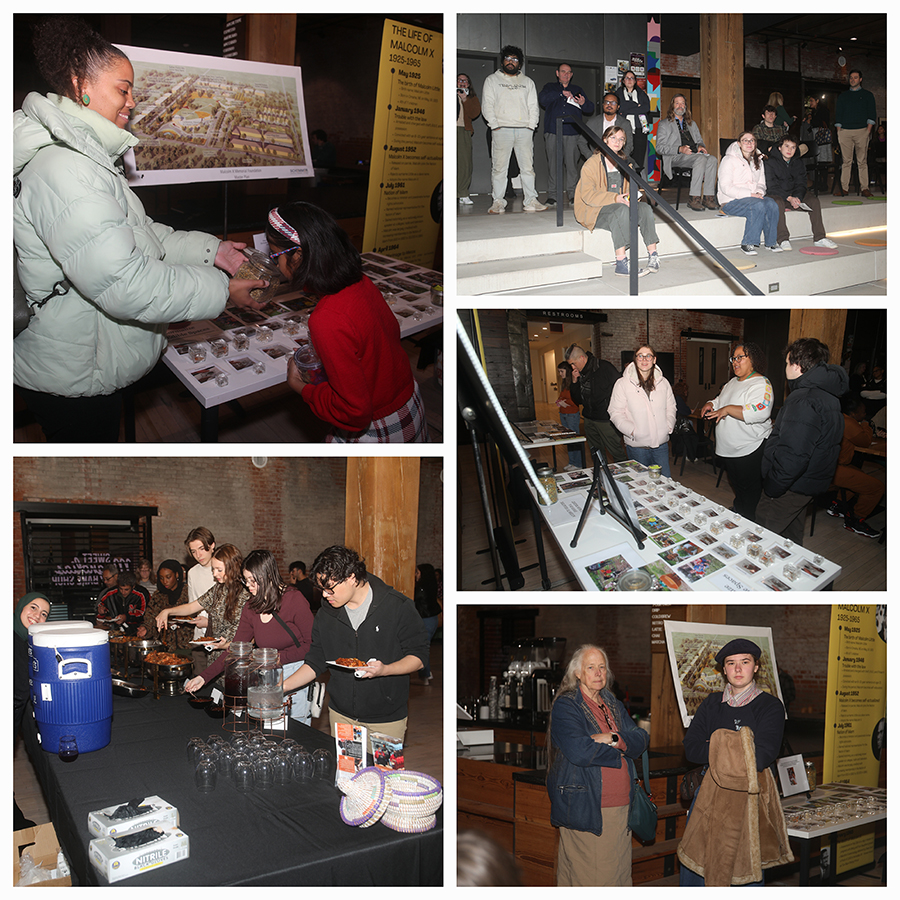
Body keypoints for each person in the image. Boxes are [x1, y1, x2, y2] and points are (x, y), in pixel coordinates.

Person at [13, 17, 266, 442]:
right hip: (75, 374)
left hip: (87, 358)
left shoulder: (86, 160)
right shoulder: (67, 169)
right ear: (80, 86)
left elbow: (143, 234)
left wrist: (214, 252)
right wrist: (223, 290)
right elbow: (126, 282)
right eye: (123, 88)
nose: (132, 101)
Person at [273, 203, 428, 443]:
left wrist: (301, 387)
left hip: (379, 429)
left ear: (298, 254)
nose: (277, 266)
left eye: (275, 256)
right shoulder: (361, 282)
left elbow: (354, 412)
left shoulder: (327, 318)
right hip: (409, 405)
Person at [281, 545, 430, 749]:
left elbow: (419, 656)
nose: (325, 595)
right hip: (342, 715)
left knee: (383, 778)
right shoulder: (326, 614)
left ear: (351, 577)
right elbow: (316, 660)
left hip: (386, 718)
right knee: (348, 779)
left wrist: (385, 670)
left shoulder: (397, 606)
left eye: (330, 588)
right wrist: (282, 687)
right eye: (322, 589)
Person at [678, 639, 791, 886]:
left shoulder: (770, 706)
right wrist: (741, 745)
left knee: (743, 873)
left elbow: (762, 756)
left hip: (750, 798)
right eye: (731, 663)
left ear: (756, 667)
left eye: (745, 662)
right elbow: (691, 748)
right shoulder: (711, 704)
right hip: (708, 792)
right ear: (724, 669)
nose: (738, 669)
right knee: (698, 866)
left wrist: (715, 742)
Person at [546, 644, 650, 886]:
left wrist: (614, 738)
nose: (598, 673)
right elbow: (579, 750)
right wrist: (621, 751)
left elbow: (641, 738)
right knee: (594, 879)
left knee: (619, 878)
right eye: (590, 667)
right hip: (589, 808)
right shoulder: (567, 705)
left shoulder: (611, 702)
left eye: (602, 667)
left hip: (621, 807)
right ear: (578, 673)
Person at [185, 549, 313, 723]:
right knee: (266, 729)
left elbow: (312, 646)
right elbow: (235, 650)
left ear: (268, 575)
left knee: (294, 732)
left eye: (253, 580)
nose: (249, 586)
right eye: (246, 580)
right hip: (266, 674)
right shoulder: (251, 606)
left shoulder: (294, 600)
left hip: (295, 673)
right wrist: (203, 677)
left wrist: (272, 658)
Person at [757, 338, 848, 546]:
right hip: (806, 484)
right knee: (790, 540)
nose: (786, 367)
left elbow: (793, 454)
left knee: (761, 539)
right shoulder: (828, 395)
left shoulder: (804, 398)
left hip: (789, 485)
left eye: (788, 363)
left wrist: (772, 486)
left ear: (797, 366)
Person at [573, 126, 660, 277]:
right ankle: (621, 262)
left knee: (645, 208)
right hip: (595, 209)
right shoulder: (592, 164)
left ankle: (653, 255)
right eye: (613, 138)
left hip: (620, 206)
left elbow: (630, 190)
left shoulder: (627, 164)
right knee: (621, 210)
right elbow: (587, 195)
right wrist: (616, 199)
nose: (617, 142)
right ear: (605, 140)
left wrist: (631, 197)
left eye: (621, 139)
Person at [700, 342, 773, 520]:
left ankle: (749, 521)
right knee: (738, 486)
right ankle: (740, 511)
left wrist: (727, 409)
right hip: (730, 449)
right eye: (734, 358)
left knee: (749, 489)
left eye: (741, 357)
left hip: (749, 447)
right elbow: (720, 400)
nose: (735, 361)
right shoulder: (732, 382)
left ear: (753, 360)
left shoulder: (761, 383)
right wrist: (711, 403)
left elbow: (761, 411)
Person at [157, 544, 249, 668]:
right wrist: (167, 611)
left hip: (237, 659)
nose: (215, 574)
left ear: (232, 567)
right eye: (213, 570)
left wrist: (226, 645)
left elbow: (249, 636)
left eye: (219, 570)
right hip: (216, 655)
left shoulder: (247, 593)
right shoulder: (218, 589)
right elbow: (192, 607)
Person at [481, 45, 547, 214]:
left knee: (527, 168)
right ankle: (498, 202)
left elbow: (533, 106)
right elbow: (487, 104)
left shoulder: (527, 82)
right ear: (503, 61)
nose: (511, 62)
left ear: (520, 63)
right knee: (499, 169)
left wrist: (531, 126)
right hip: (501, 129)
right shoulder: (492, 80)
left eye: (515, 59)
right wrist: (494, 125)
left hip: (524, 131)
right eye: (508, 59)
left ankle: (531, 200)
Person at [608, 344, 676, 477]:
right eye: (640, 356)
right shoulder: (622, 384)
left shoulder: (664, 383)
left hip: (661, 445)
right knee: (641, 484)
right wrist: (632, 431)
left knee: (665, 481)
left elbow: (671, 406)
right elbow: (615, 412)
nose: (644, 360)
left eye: (648, 356)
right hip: (637, 447)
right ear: (635, 359)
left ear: (654, 359)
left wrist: (668, 426)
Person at [14, 593, 51, 830]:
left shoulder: (28, 643)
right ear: (20, 608)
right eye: (33, 608)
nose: (37, 615)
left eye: (43, 614)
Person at [764, 135, 836, 251]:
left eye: (793, 147)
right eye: (786, 146)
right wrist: (789, 198)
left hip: (793, 195)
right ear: (779, 148)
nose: (789, 150)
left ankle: (819, 237)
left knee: (813, 200)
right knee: (777, 202)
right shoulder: (770, 162)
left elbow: (801, 183)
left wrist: (797, 197)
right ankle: (783, 239)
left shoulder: (798, 162)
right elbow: (771, 186)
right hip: (778, 195)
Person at [828, 394, 884, 539]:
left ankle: (838, 505)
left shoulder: (836, 417)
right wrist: (866, 424)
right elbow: (865, 441)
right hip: (834, 468)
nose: (864, 414)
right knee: (876, 487)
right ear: (853, 413)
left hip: (828, 464)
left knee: (859, 474)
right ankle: (856, 520)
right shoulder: (849, 422)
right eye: (863, 412)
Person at [538, 63, 595, 205]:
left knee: (571, 166)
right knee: (553, 165)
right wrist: (560, 93)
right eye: (563, 72)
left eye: (569, 72)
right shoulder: (550, 87)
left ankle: (573, 195)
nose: (566, 74)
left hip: (572, 132)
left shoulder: (577, 89)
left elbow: (590, 108)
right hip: (553, 131)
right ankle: (553, 195)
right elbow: (542, 100)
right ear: (557, 73)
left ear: (572, 74)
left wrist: (583, 103)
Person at [717, 133, 781, 256]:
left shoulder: (758, 160)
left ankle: (771, 242)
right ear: (739, 144)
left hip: (752, 198)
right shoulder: (728, 159)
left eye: (752, 140)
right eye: (745, 140)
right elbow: (725, 187)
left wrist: (759, 192)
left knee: (772, 203)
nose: (749, 143)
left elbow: (762, 183)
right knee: (758, 205)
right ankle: (748, 242)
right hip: (730, 201)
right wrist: (750, 194)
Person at [656, 94, 718, 211]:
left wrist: (700, 147)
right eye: (677, 103)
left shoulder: (692, 124)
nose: (680, 106)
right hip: (675, 157)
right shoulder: (664, 124)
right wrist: (679, 149)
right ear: (672, 106)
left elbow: (700, 141)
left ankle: (708, 197)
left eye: (683, 103)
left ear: (686, 106)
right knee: (701, 159)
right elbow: (659, 148)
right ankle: (694, 198)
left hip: (694, 155)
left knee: (712, 159)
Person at [566, 343, 626, 464]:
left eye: (573, 363)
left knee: (616, 453)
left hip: (605, 420)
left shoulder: (604, 367)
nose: (573, 367)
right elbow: (577, 400)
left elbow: (621, 390)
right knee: (596, 455)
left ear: (582, 358)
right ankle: (602, 479)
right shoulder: (580, 373)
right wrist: (574, 381)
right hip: (589, 419)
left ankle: (625, 480)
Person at [834, 69, 877, 197]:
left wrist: (867, 131)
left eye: (855, 77)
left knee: (862, 161)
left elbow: (872, 114)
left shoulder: (868, 95)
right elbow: (838, 115)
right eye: (851, 78)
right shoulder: (843, 96)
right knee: (846, 161)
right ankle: (844, 189)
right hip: (845, 132)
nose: (853, 80)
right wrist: (839, 131)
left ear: (861, 79)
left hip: (862, 131)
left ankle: (865, 188)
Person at [139, 560, 193, 646]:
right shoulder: (158, 595)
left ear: (177, 575)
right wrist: (146, 629)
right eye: (161, 578)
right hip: (165, 645)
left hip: (187, 644)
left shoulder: (189, 592)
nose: (164, 581)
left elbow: (196, 613)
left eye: (168, 577)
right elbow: (150, 617)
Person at [616, 70, 651, 172]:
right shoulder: (618, 94)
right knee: (624, 155)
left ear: (635, 81)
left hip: (640, 129)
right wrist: (636, 105)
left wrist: (627, 108)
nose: (630, 80)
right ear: (623, 81)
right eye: (627, 78)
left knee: (639, 157)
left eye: (632, 78)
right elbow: (620, 108)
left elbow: (646, 108)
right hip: (624, 130)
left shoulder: (641, 94)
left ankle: (637, 180)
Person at [414, 563, 442, 684]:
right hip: (432, 619)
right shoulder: (431, 586)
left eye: (418, 572)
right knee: (423, 646)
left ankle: (426, 674)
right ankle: (425, 674)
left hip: (426, 620)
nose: (416, 574)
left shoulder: (420, 589)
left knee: (422, 647)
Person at [457, 74, 481, 206]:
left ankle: (463, 193)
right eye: (459, 80)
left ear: (468, 84)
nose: (462, 82)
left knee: (465, 164)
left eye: (465, 81)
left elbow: (474, 113)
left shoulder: (472, 98)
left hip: (463, 130)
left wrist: (465, 99)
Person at [555, 361, 584, 470]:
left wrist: (564, 402)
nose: (560, 374)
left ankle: (578, 464)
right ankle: (572, 462)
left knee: (574, 439)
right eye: (559, 372)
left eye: (561, 371)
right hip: (563, 414)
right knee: (568, 440)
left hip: (571, 414)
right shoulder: (564, 384)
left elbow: (576, 401)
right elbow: (561, 397)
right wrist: (560, 401)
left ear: (567, 371)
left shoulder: (573, 383)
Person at [595, 93, 635, 166]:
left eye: (613, 103)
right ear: (603, 104)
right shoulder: (593, 122)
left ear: (618, 107)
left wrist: (619, 158)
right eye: (607, 102)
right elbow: (581, 142)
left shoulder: (625, 123)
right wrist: (591, 156)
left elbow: (629, 144)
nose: (609, 105)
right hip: (597, 160)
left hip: (620, 159)